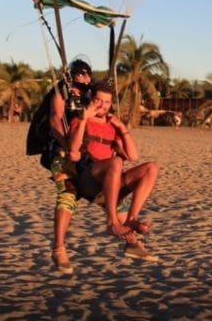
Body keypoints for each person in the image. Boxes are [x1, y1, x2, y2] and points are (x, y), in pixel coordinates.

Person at [69, 80, 159, 261]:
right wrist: (84, 119)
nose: (103, 106)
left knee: (151, 168)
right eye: (98, 100)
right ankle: (111, 222)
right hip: (89, 180)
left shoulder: (112, 125)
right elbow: (73, 153)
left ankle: (131, 219)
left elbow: (133, 156)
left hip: (111, 182)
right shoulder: (80, 120)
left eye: (107, 102)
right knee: (116, 163)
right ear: (91, 100)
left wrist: (122, 128)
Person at [47, 58, 93, 274]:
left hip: (86, 155)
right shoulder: (61, 93)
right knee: (68, 194)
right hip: (62, 153)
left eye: (88, 73)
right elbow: (56, 119)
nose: (85, 77)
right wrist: (67, 147)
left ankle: (130, 238)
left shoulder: (90, 96)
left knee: (111, 190)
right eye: (81, 73)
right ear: (72, 74)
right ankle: (58, 249)